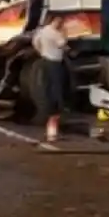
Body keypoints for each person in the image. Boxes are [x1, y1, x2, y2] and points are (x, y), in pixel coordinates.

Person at [31, 14, 69, 142]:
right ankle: (55, 111)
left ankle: (50, 112)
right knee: (56, 87)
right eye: (60, 21)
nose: (61, 23)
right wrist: (65, 34)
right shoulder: (55, 33)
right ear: (55, 20)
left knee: (47, 85)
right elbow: (62, 44)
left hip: (45, 59)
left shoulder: (42, 31)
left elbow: (35, 42)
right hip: (55, 62)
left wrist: (41, 52)